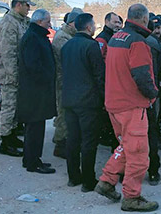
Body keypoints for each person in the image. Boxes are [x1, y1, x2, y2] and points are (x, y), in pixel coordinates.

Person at [95, 3, 159, 212]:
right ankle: (132, 197)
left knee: (126, 147)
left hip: (114, 103)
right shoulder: (138, 42)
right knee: (139, 154)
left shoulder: (116, 37)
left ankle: (106, 181)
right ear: (143, 19)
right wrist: (153, 94)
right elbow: (142, 75)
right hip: (132, 105)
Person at [61, 13, 105, 190]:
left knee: (73, 139)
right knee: (88, 141)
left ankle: (73, 176)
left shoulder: (67, 45)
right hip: (88, 101)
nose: (95, 27)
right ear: (89, 27)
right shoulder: (91, 46)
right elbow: (99, 75)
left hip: (69, 99)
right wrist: (104, 98)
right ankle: (88, 180)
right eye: (94, 25)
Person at [0, 0, 34, 157]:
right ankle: (5, 141)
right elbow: (8, 53)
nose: (29, 8)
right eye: (27, 5)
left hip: (16, 73)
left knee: (15, 107)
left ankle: (11, 135)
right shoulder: (10, 24)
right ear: (19, 5)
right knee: (8, 108)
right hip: (9, 75)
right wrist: (14, 76)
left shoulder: (20, 22)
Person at [16, 9, 56, 174]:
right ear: (39, 22)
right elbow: (33, 65)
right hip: (34, 91)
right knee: (34, 128)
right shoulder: (33, 37)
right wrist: (47, 77)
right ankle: (33, 162)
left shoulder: (36, 35)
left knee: (35, 127)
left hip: (35, 90)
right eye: (47, 22)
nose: (50, 24)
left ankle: (31, 159)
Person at [52, 7, 83, 158]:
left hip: (68, 79)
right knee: (63, 112)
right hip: (62, 80)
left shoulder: (69, 36)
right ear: (72, 23)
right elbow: (70, 58)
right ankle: (60, 143)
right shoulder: (62, 38)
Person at [144, 15, 161, 185]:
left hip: (138, 95)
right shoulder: (151, 44)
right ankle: (153, 171)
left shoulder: (123, 41)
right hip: (149, 93)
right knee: (150, 132)